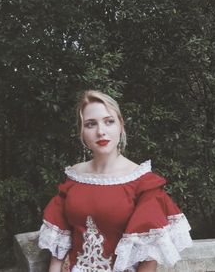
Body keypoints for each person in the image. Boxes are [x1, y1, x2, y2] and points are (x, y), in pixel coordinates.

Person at [38, 90, 193, 272]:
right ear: (82, 132)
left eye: (109, 121)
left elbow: (149, 260)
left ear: (121, 125)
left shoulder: (142, 182)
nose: (101, 131)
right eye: (90, 124)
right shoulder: (74, 177)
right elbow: (59, 248)